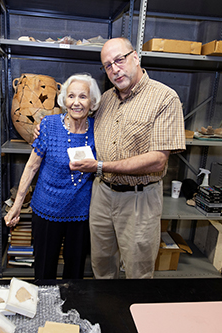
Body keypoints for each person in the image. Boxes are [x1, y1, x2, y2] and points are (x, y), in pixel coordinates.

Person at [69, 37, 186, 279]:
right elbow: (76, 115)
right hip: (102, 194)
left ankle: (134, 313)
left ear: (135, 57)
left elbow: (157, 160)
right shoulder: (106, 100)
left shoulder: (165, 98)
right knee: (101, 264)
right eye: (108, 65)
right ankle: (106, 312)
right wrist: (47, 126)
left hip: (139, 199)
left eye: (119, 60)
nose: (114, 69)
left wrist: (100, 167)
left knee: (137, 271)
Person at [4, 73, 101, 279]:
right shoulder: (48, 126)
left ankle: (71, 308)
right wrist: (17, 206)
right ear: (64, 100)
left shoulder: (98, 129)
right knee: (44, 270)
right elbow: (31, 167)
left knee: (75, 272)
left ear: (92, 102)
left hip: (81, 213)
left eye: (83, 97)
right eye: (71, 96)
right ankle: (44, 308)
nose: (76, 103)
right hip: (47, 210)